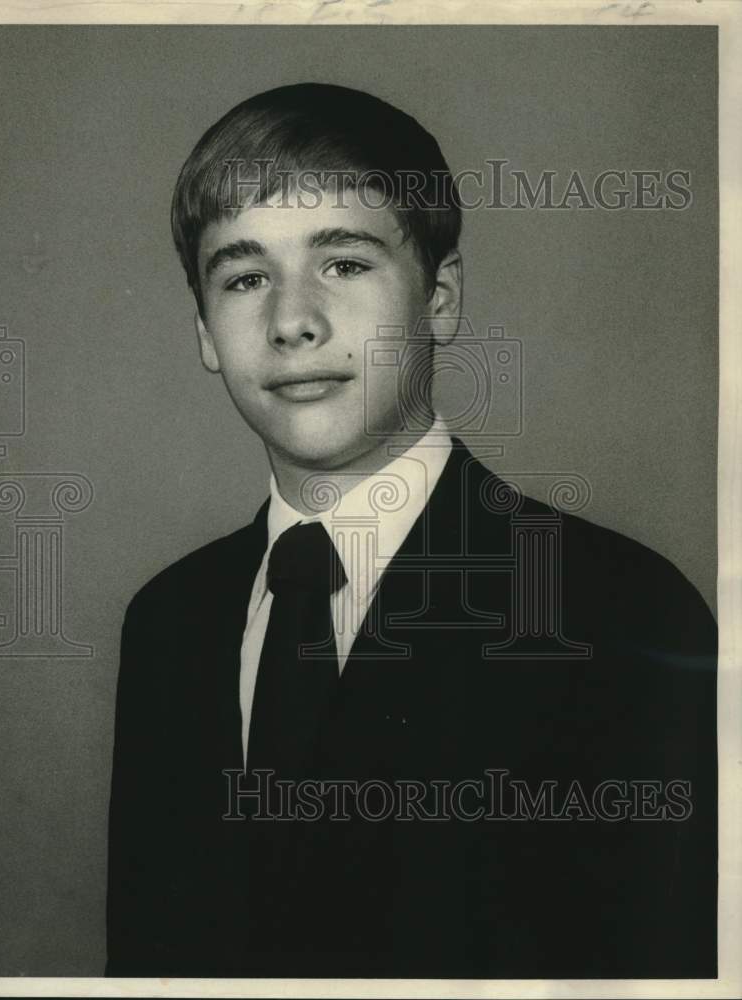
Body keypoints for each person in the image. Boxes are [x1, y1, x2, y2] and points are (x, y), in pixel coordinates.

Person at [105, 83, 717, 979]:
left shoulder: (620, 612)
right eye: (243, 277)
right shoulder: (167, 622)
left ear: (438, 298)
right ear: (204, 329)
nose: (291, 322)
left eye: (344, 264)